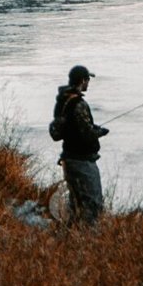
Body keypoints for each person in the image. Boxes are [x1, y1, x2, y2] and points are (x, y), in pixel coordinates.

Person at [52, 64, 108, 224]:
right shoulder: (79, 104)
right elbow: (87, 134)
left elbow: (62, 131)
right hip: (82, 161)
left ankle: (72, 238)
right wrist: (100, 132)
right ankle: (89, 240)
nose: (88, 83)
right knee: (93, 203)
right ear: (82, 81)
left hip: (68, 160)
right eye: (88, 79)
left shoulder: (62, 101)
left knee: (75, 203)